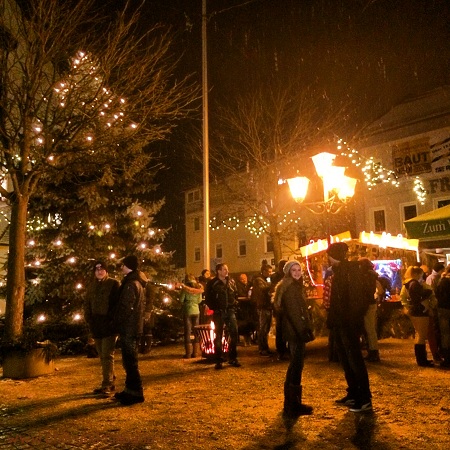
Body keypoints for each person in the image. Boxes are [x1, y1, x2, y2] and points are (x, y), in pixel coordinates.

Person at [326, 242, 374, 413]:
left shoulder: (350, 272)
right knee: (346, 360)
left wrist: (350, 320)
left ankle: (364, 397)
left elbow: (354, 300)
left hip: (348, 323)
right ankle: (353, 392)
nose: (328, 259)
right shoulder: (339, 273)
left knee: (354, 359)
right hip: (340, 322)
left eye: (330, 256)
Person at [273, 260, 313, 416]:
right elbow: (294, 313)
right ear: (288, 272)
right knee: (296, 364)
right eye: (293, 270)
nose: (297, 272)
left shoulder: (294, 286)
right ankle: (292, 404)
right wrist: (302, 330)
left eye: (299, 270)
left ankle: (293, 403)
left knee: (296, 364)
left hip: (294, 330)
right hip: (295, 331)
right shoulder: (290, 289)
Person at [112, 255, 146, 405]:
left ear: (129, 266)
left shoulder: (131, 284)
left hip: (129, 327)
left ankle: (136, 392)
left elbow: (126, 307)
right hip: (133, 326)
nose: (121, 268)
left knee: (130, 361)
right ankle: (129, 390)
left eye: (123, 265)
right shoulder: (135, 282)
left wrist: (117, 321)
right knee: (129, 360)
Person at [84, 261, 120, 395]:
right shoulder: (92, 286)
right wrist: (88, 318)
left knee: (107, 355)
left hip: (109, 325)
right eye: (97, 269)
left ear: (106, 270)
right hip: (96, 324)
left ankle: (107, 384)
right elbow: (87, 303)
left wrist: (112, 320)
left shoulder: (113, 284)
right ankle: (111, 379)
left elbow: (116, 305)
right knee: (102, 355)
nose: (99, 271)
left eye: (102, 269)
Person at [204, 263, 241, 369]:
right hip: (219, 312)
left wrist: (234, 303)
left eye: (227, 269)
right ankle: (218, 360)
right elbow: (208, 298)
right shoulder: (212, 283)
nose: (226, 271)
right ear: (219, 271)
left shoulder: (231, 282)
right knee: (218, 335)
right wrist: (215, 307)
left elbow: (235, 294)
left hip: (230, 311)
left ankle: (233, 358)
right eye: (224, 269)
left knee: (234, 333)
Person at [404, 266, 434, 367]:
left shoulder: (409, 283)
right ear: (416, 274)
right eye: (421, 274)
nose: (422, 276)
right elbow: (418, 297)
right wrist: (428, 292)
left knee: (419, 335)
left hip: (416, 311)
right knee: (421, 336)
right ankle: (422, 360)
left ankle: (421, 359)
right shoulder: (414, 284)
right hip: (420, 311)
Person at [359, 258, 381, 362]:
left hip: (366, 304)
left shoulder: (364, 276)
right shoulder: (373, 276)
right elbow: (379, 290)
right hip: (371, 303)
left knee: (369, 329)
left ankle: (373, 352)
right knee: (370, 329)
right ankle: (372, 351)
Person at [180, 274, 204, 358]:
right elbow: (200, 300)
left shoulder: (185, 289)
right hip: (196, 310)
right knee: (196, 331)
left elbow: (181, 299)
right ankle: (195, 353)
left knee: (187, 331)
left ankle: (188, 354)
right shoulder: (199, 288)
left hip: (187, 310)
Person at [252, 264, 274, 356]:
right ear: (263, 271)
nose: (270, 274)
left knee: (267, 328)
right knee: (263, 328)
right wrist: (271, 285)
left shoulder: (266, 279)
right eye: (268, 272)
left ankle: (265, 347)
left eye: (270, 272)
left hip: (267, 306)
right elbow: (263, 289)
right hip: (262, 307)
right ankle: (262, 348)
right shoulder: (258, 280)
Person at [271, 259, 289, 360]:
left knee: (281, 329)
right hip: (282, 307)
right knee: (281, 329)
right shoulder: (278, 278)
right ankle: (282, 350)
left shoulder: (276, 277)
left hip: (281, 307)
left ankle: (282, 350)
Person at [435, 265, 450, 367]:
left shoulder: (443, 281)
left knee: (445, 333)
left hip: (444, 308)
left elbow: (437, 294)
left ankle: (447, 357)